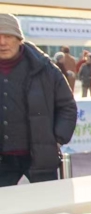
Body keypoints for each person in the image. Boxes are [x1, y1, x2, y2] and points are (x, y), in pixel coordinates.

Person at [0, 14, 76, 187]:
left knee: (48, 201)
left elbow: (67, 106)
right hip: (2, 160)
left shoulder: (45, 68)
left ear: (19, 39)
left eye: (8, 36)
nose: (2, 42)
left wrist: (56, 139)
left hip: (40, 157)